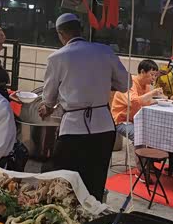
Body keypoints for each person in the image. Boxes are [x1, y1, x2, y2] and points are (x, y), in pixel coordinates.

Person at [40, 13, 129, 201]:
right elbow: (125, 84)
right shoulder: (105, 51)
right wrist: (102, 84)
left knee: (66, 181)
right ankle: (93, 212)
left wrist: (47, 108)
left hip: (73, 130)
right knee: (95, 180)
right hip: (104, 128)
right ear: (81, 30)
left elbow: (48, 98)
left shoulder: (57, 58)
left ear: (61, 34)